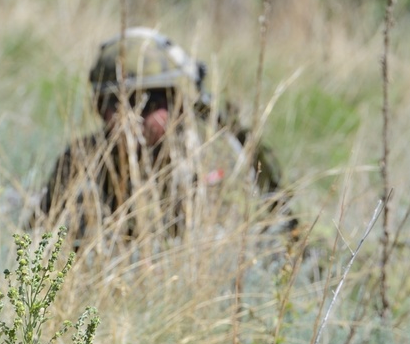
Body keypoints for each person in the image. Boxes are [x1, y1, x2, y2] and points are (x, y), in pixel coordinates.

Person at [34, 27, 289, 249]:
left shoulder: (212, 155)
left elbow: (240, 247)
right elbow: (38, 235)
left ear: (176, 104)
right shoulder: (81, 160)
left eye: (150, 104)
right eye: (118, 104)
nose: (133, 118)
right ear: (99, 109)